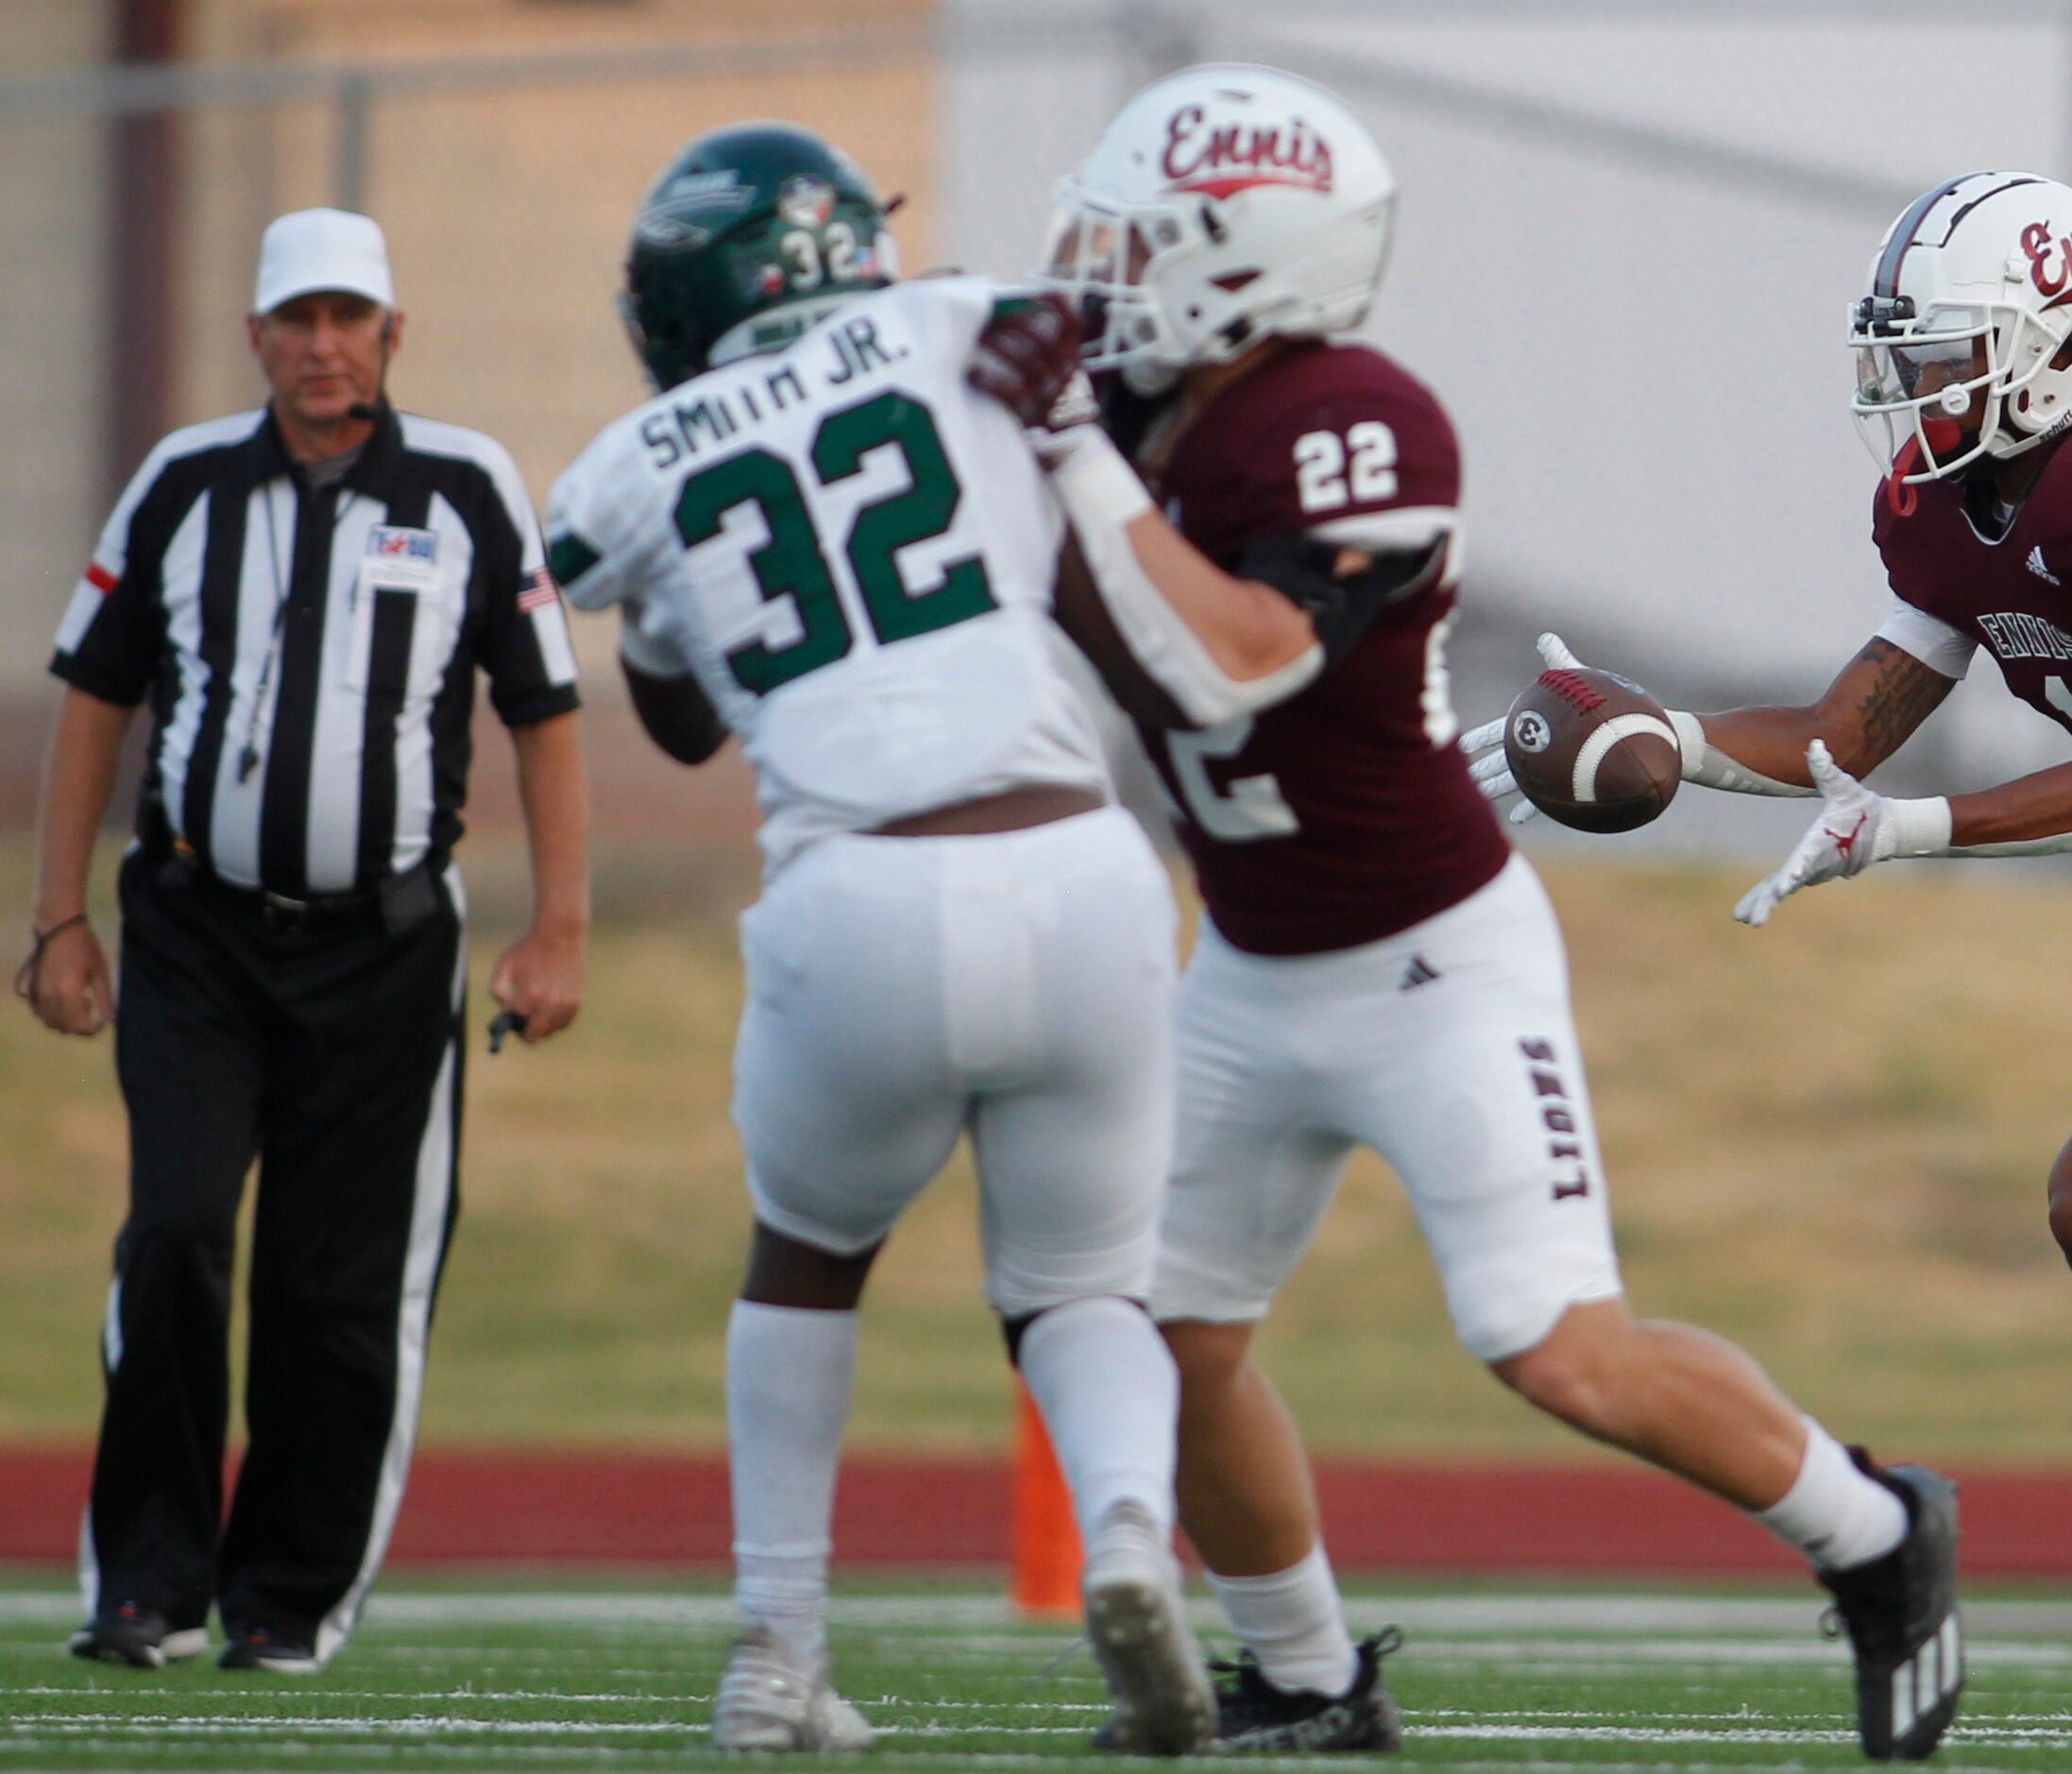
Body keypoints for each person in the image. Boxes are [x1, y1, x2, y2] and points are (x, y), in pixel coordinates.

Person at [1037, 65, 1962, 1763]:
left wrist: (1066, 464)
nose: (1099, 277)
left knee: (1555, 1347)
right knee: (1159, 1340)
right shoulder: (1119, 404)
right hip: (1244, 966)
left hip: (1430, 960)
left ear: (1250, 263)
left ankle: (1881, 1533)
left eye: (1143, 241)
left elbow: (1245, 656)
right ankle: (1313, 1679)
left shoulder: (1356, 422)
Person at [1472, 171, 2072, 1736]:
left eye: (1950, 350)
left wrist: (1901, 834)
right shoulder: (1938, 504)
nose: (1915, 388)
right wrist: (1664, 732)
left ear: (2056, 342)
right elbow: (1847, 729)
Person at [542, 122, 1360, 1757]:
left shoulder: (631, 463)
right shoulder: (964, 321)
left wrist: (661, 593)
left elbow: (659, 700)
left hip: (857, 898)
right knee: (1085, 1288)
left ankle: (778, 1651)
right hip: (1075, 866)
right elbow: (1085, 340)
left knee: (808, 1257)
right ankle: (1130, 1528)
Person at [25, 207, 589, 1674]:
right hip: (198, 928)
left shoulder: (468, 487)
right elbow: (97, 690)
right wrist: (58, 918)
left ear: (394, 334)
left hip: (389, 946)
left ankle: (287, 1592)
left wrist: (562, 932)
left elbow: (544, 709)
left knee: (337, 1288)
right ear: (257, 334)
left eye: (351, 318)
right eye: (299, 318)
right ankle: (145, 1579)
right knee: (177, 1236)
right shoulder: (181, 484)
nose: (324, 345)